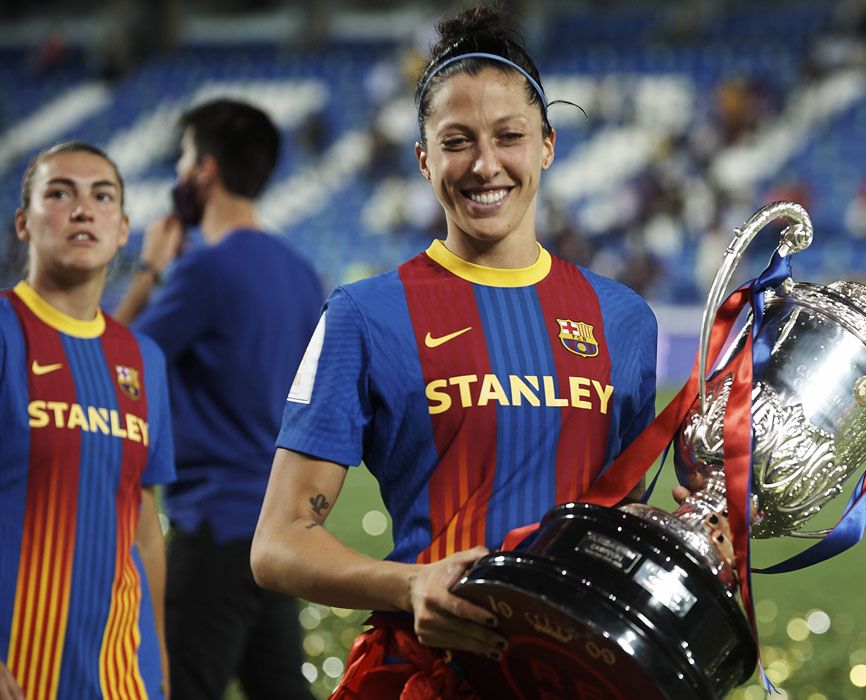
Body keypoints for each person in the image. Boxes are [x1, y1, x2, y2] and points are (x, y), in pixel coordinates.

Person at [250, 4, 659, 697]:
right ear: (423, 157)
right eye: (457, 140)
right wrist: (411, 585)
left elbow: (615, 522)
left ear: (548, 146)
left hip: (576, 678)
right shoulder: (364, 313)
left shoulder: (623, 320)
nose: (485, 164)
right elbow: (278, 544)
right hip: (426, 674)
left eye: (509, 136)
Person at [113, 99, 323, 700]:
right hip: (278, 529)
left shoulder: (203, 270)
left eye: (182, 159)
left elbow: (111, 365)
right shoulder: (302, 272)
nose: (179, 174)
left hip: (215, 523)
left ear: (203, 170)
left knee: (178, 687)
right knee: (278, 684)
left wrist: (150, 271)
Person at [0, 141, 173, 699]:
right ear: (23, 224)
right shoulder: (6, 329)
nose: (82, 209)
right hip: (19, 673)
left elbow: (144, 526)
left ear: (123, 229)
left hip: (123, 679)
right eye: (59, 193)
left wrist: (160, 669)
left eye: (102, 196)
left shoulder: (145, 359)